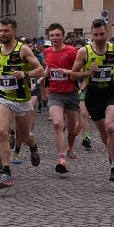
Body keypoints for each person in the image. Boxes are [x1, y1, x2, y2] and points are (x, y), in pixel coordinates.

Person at [0, 17, 44, 189]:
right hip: (3, 97)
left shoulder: (23, 50)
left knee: (25, 136)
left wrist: (25, 75)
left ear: (14, 32)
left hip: (22, 99)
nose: (2, 34)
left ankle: (33, 147)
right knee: (2, 130)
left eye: (6, 31)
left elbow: (40, 69)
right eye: (0, 31)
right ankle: (6, 172)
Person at [71, 21, 114, 180]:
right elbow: (73, 75)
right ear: (91, 34)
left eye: (102, 34)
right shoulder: (84, 52)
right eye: (96, 35)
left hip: (110, 91)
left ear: (107, 32)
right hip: (93, 94)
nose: (99, 38)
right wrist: (89, 72)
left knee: (110, 127)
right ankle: (113, 153)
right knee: (103, 132)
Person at [43, 23, 80, 174]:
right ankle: (61, 159)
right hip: (55, 94)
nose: (55, 38)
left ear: (63, 36)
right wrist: (43, 77)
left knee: (72, 130)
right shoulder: (47, 52)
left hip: (71, 93)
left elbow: (79, 71)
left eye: (58, 35)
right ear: (49, 37)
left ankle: (70, 146)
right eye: (52, 36)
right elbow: (49, 67)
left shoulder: (71, 51)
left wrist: (67, 72)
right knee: (58, 124)